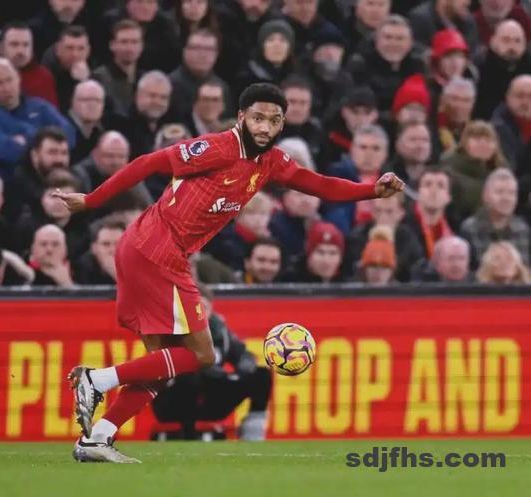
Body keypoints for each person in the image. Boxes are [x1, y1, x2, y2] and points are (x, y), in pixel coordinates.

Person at [53, 83, 404, 463]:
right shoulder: (218, 148)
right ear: (241, 117)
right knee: (201, 354)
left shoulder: (271, 161)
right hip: (156, 249)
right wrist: (91, 200)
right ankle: (96, 380)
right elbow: (148, 163)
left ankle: (98, 438)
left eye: (274, 120)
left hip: (152, 250)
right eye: (258, 118)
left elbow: (320, 185)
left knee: (161, 363)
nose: (265, 127)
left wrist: (372, 191)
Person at [152, 284, 272, 441]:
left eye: (203, 307)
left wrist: (241, 371)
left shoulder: (220, 331)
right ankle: (188, 434)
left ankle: (252, 432)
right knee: (190, 377)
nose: (198, 312)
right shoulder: (172, 330)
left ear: (211, 309)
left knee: (261, 375)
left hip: (210, 393)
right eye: (193, 307)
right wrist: (218, 374)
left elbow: (244, 356)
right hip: (172, 399)